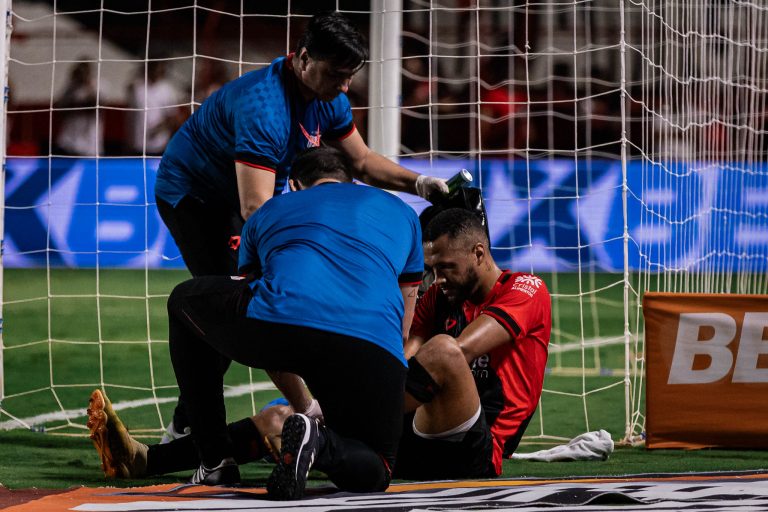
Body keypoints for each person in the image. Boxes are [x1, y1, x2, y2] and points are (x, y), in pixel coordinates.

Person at [88, 206, 551, 485]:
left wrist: (348, 402)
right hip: (414, 432)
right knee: (281, 417)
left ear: (479, 254)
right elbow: (401, 351)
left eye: (447, 267)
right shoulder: (435, 296)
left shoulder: (526, 289)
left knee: (445, 352)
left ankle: (323, 433)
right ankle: (147, 460)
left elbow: (461, 352)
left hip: (476, 448)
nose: (439, 278)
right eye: (432, 268)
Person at [154, 12, 448, 442]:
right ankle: (193, 428)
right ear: (304, 59)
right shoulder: (264, 108)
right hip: (197, 199)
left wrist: (420, 183)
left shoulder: (328, 95)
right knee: (234, 301)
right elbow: (256, 209)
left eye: (350, 77)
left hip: (251, 197)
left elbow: (362, 162)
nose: (345, 87)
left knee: (254, 302)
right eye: (337, 75)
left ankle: (198, 423)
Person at [89, 146, 423, 498]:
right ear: (350, 182)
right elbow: (405, 319)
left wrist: (304, 403)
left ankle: (215, 460)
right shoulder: (403, 213)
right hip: (376, 343)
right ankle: (319, 444)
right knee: (377, 468)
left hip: (285, 323)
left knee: (184, 302)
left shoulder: (271, 210)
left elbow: (259, 303)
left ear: (293, 185)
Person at [127, 59, 182, 156]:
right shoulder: (137, 87)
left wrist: (157, 129)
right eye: (155, 68)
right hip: (137, 144)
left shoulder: (167, 90)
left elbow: (173, 117)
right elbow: (130, 114)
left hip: (159, 145)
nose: (158, 71)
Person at [54, 61, 103, 156]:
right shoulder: (71, 88)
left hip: (90, 144)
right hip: (69, 143)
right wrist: (72, 84)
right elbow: (58, 108)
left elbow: (96, 106)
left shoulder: (99, 85)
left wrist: (88, 84)